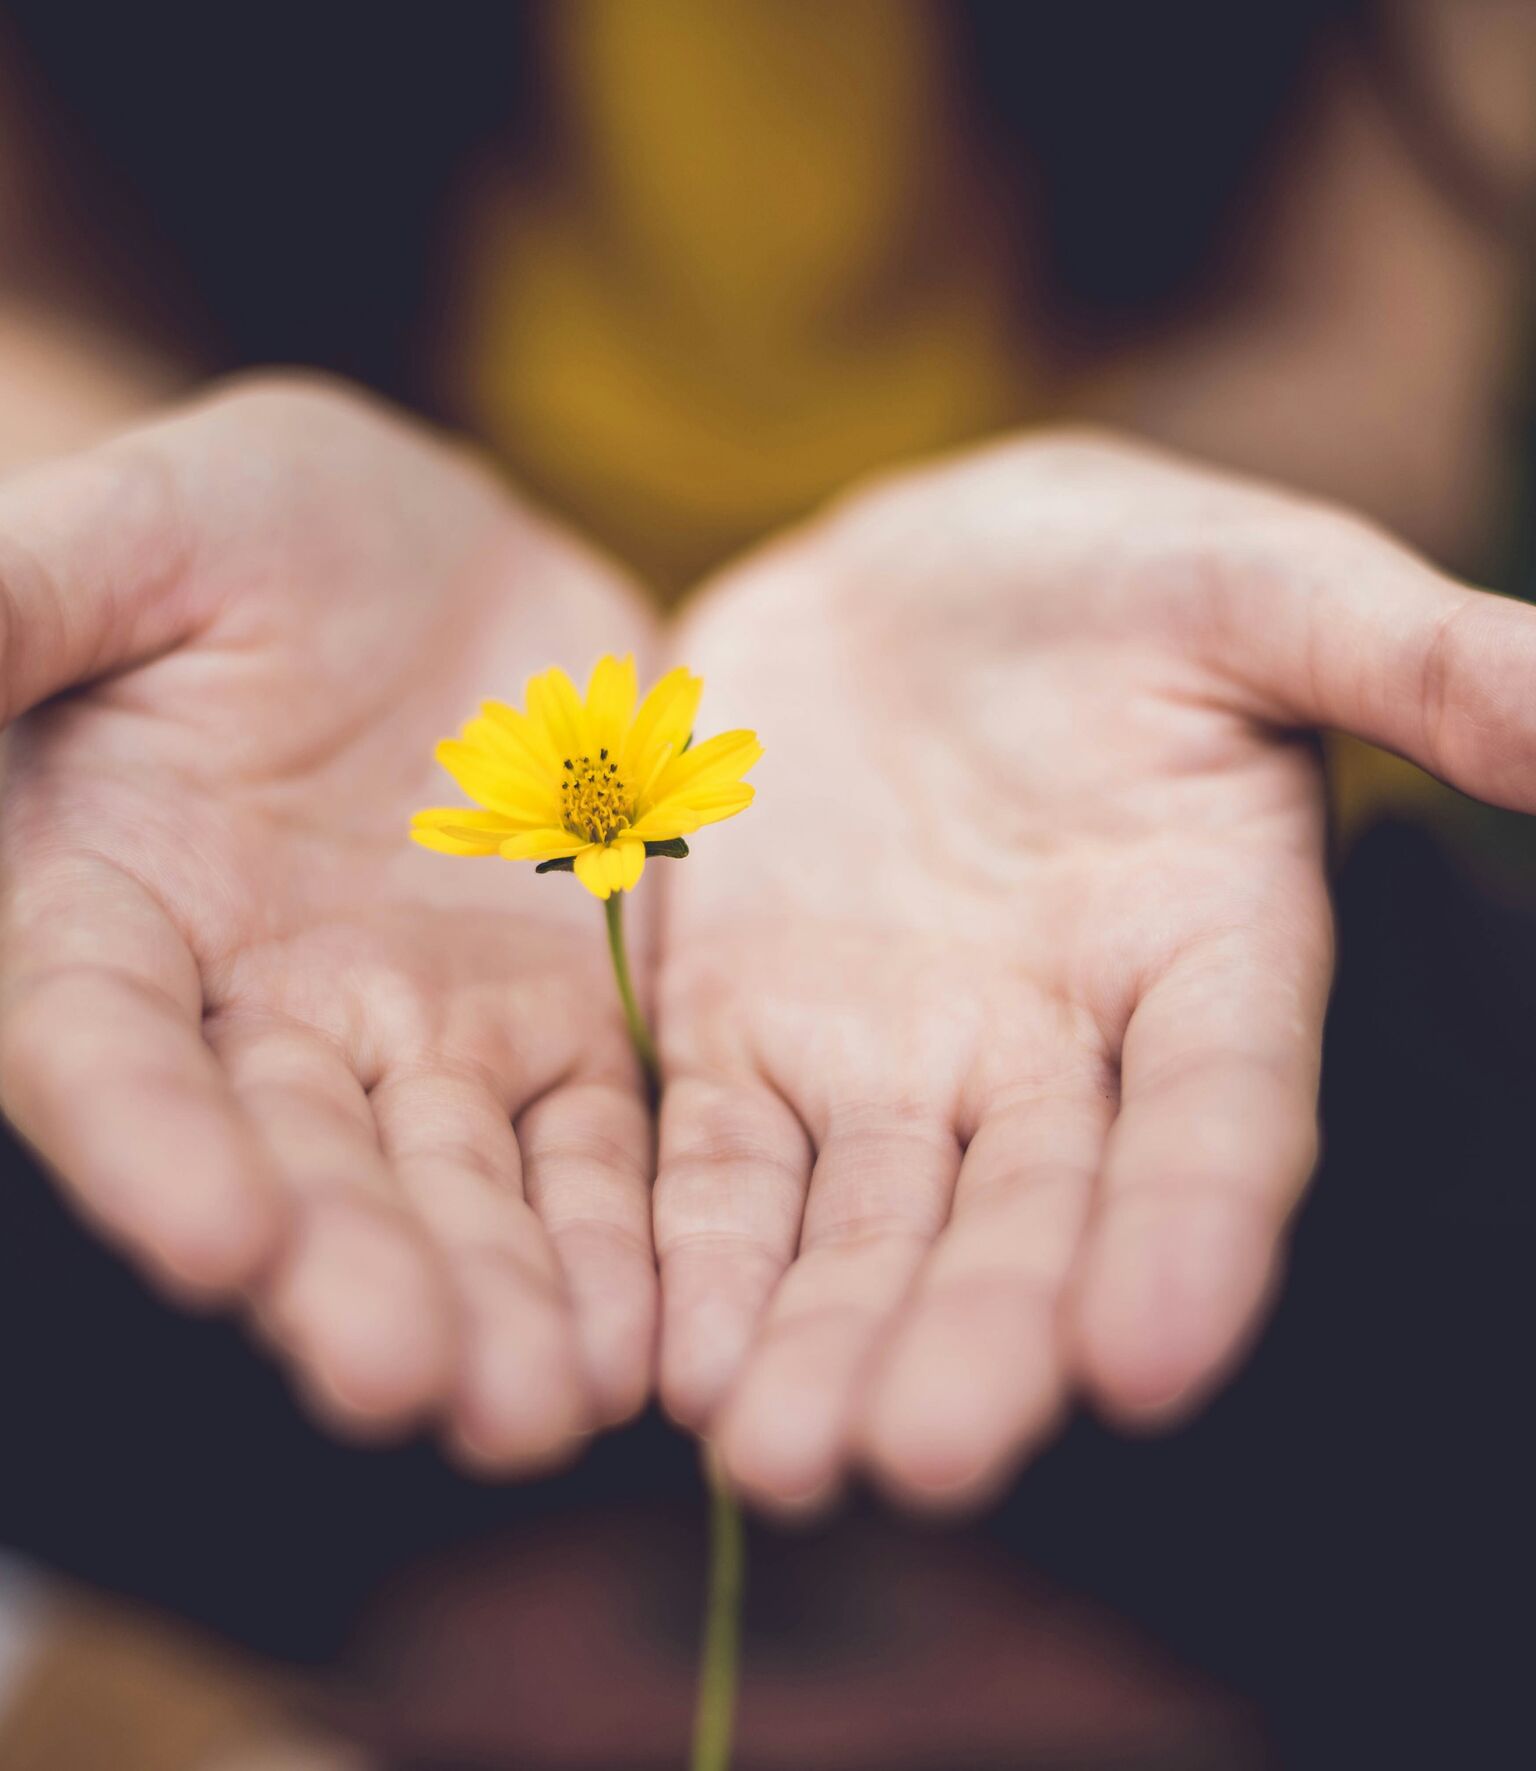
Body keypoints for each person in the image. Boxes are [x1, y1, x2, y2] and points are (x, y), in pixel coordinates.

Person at [0, 0, 1533, 1630]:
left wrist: (1206, 531)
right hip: (305, 793)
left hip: (1084, 817)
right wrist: (114, 500)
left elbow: (1353, 347)